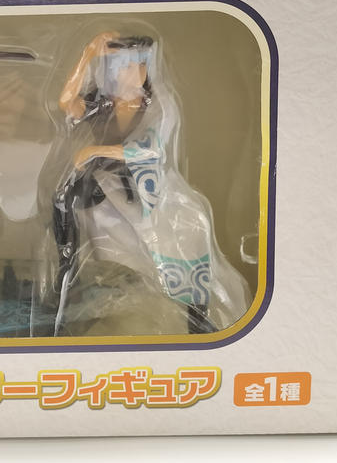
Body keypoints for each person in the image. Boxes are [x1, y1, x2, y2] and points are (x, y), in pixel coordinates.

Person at [52, 31, 248, 334]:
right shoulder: (103, 102)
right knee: (63, 197)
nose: (127, 73)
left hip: (145, 182)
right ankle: (67, 268)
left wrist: (95, 151)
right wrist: (88, 53)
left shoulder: (158, 104)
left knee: (183, 234)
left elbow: (151, 149)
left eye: (135, 65)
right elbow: (67, 102)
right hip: (102, 177)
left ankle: (195, 313)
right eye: (120, 66)